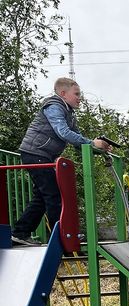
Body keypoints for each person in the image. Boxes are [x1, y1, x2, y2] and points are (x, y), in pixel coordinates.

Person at [11, 77, 112, 245]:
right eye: (77, 94)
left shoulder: (69, 113)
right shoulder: (54, 106)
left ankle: (20, 233)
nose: (80, 98)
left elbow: (78, 140)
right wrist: (90, 142)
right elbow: (63, 132)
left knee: (42, 197)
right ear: (63, 93)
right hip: (35, 152)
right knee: (53, 195)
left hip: (41, 155)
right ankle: (61, 237)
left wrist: (98, 148)